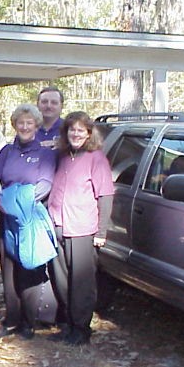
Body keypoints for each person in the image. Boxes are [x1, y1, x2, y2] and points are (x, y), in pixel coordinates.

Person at [0, 104, 57, 340]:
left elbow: (45, 184)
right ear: (14, 125)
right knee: (9, 270)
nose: (25, 127)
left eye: (29, 123)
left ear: (36, 125)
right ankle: (12, 319)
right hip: (6, 216)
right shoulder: (7, 151)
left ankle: (28, 322)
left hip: (30, 218)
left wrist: (20, 202)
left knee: (29, 268)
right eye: (21, 123)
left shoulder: (45, 153)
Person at [47, 111, 114, 345]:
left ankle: (81, 329)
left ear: (88, 133)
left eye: (80, 130)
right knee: (61, 280)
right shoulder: (63, 156)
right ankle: (67, 324)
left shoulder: (96, 158)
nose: (75, 134)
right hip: (58, 224)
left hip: (82, 228)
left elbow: (105, 195)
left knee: (81, 283)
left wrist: (101, 232)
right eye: (71, 130)